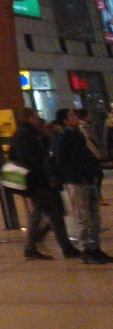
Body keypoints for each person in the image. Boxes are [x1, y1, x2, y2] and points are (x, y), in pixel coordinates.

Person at [9, 106, 78, 260]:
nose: (37, 119)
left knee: (45, 212)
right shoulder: (24, 134)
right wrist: (46, 173)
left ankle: (36, 246)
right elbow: (32, 158)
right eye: (34, 117)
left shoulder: (33, 132)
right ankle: (59, 247)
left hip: (42, 179)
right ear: (28, 118)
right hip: (38, 180)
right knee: (53, 213)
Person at [51, 107, 111, 264]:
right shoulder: (62, 138)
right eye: (71, 116)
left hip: (88, 179)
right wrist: (77, 177)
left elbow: (86, 157)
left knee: (94, 216)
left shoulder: (77, 134)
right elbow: (62, 162)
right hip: (78, 182)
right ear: (65, 121)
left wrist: (93, 174)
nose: (75, 117)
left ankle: (95, 248)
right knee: (83, 217)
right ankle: (86, 250)